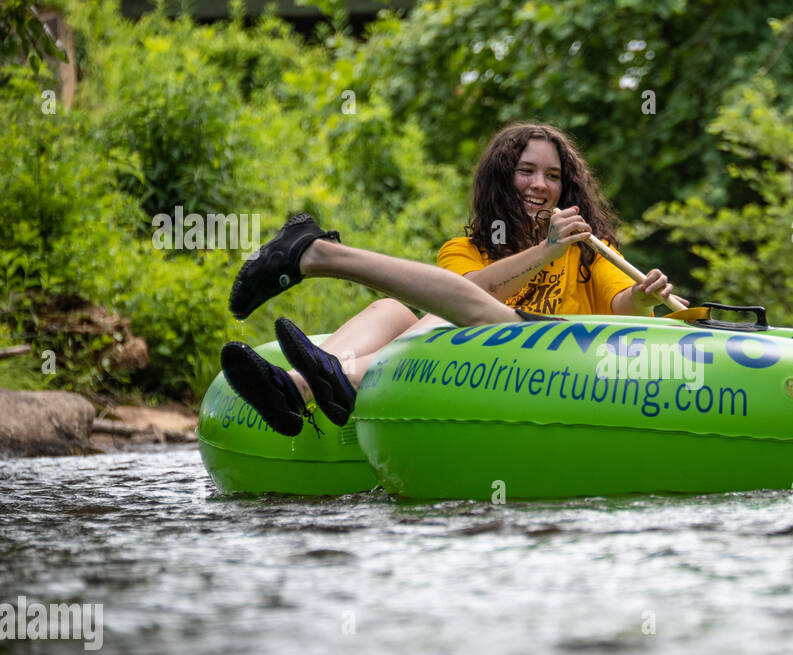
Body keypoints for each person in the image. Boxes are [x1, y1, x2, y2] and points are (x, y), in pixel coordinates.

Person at [220, 123, 682, 436]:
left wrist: (642, 299)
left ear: (567, 188)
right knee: (392, 309)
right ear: (502, 179)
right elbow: (467, 297)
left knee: (444, 314)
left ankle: (322, 327)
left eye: (553, 176)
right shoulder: (462, 251)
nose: (540, 184)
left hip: (557, 366)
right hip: (476, 367)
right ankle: (302, 383)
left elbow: (620, 306)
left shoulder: (589, 246)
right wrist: (545, 252)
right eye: (526, 171)